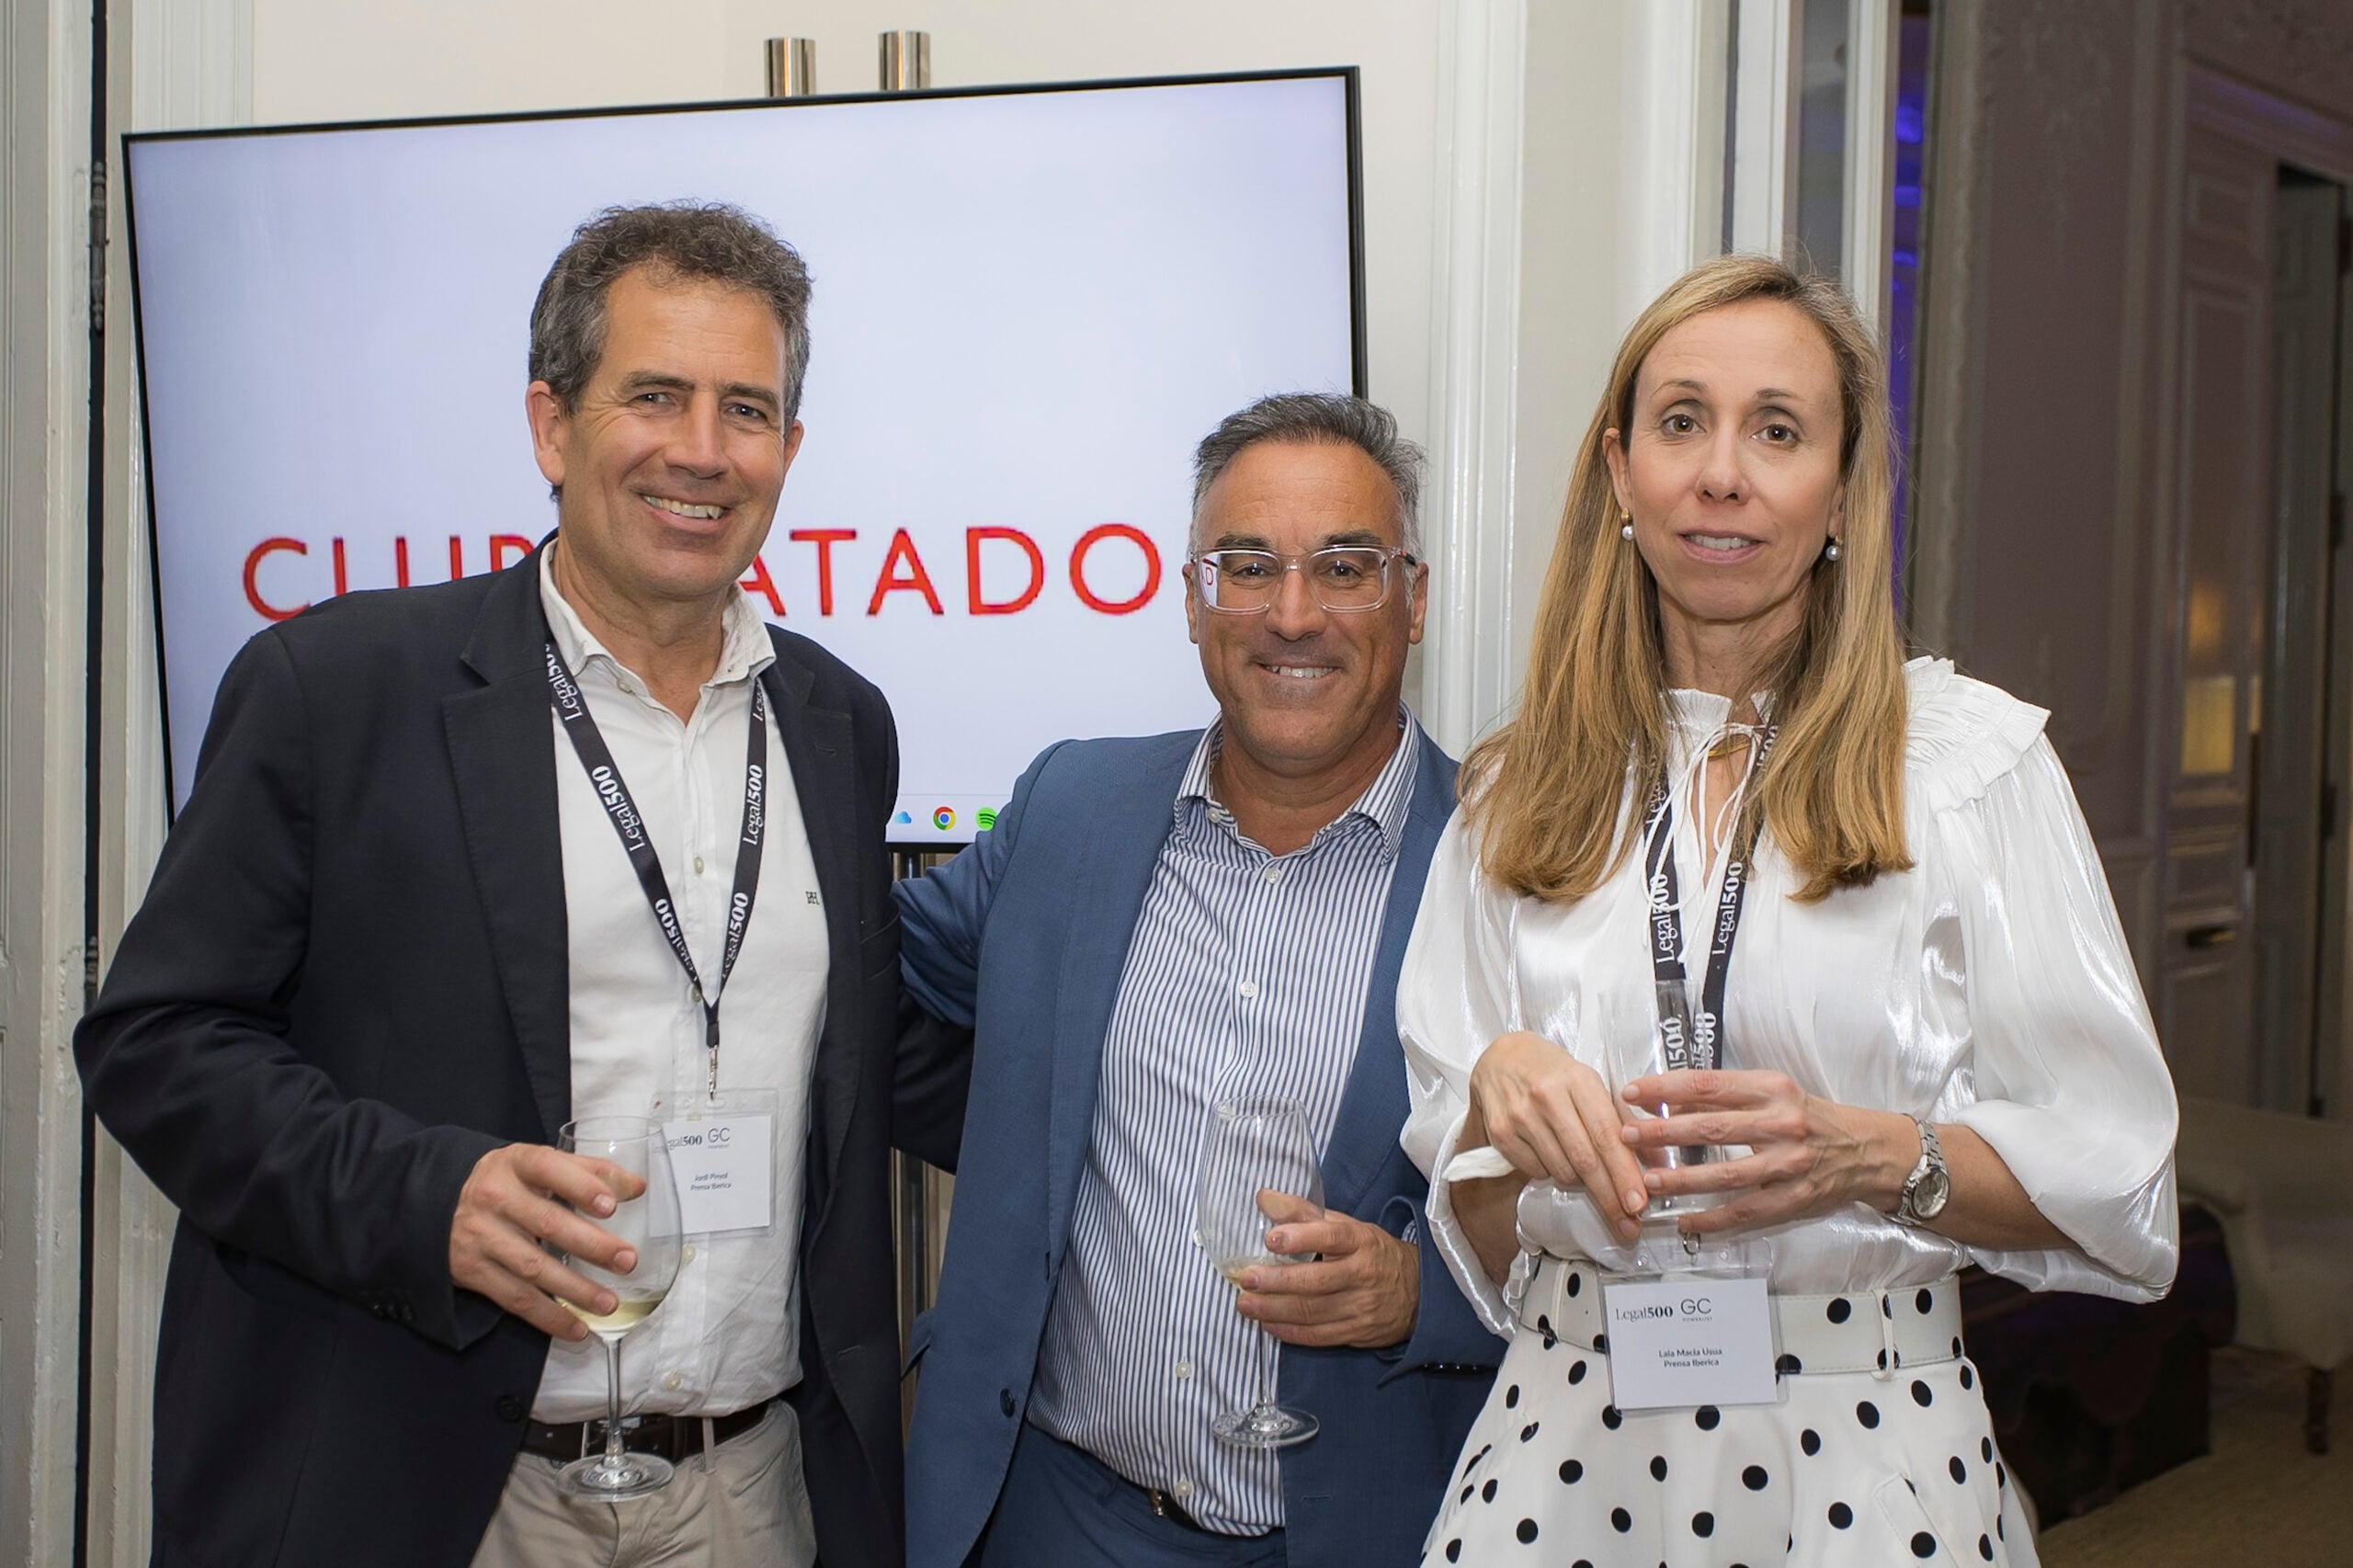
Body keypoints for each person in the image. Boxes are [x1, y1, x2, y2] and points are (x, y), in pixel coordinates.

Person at [75, 202, 965, 1568]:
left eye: (746, 409)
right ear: (552, 426)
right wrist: (423, 1197)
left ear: (789, 449)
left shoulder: (840, 720)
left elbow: (864, 1048)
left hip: (750, 1488)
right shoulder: (335, 690)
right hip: (435, 1488)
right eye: (654, 396)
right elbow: (157, 1043)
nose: (701, 450)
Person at [1397, 256, 2178, 1566]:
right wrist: (1495, 1110)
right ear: (1620, 471)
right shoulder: (1512, 792)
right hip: (1559, 1441)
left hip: (1866, 1448)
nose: (1722, 474)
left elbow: (2118, 1178)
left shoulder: (1967, 769)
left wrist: (1872, 1154)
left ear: (1844, 488)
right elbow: (1475, 1243)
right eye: (1681, 421)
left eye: (1776, 429)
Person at [895, 393, 1502, 1568]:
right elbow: (863, 972)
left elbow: (1615, 1226)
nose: (1292, 614)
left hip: (1354, 1536)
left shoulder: (1512, 867)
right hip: (1050, 1517)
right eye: (1248, 566)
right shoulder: (1070, 810)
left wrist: (1419, 1294)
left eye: (1343, 568)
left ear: (1413, 598)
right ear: (1192, 599)